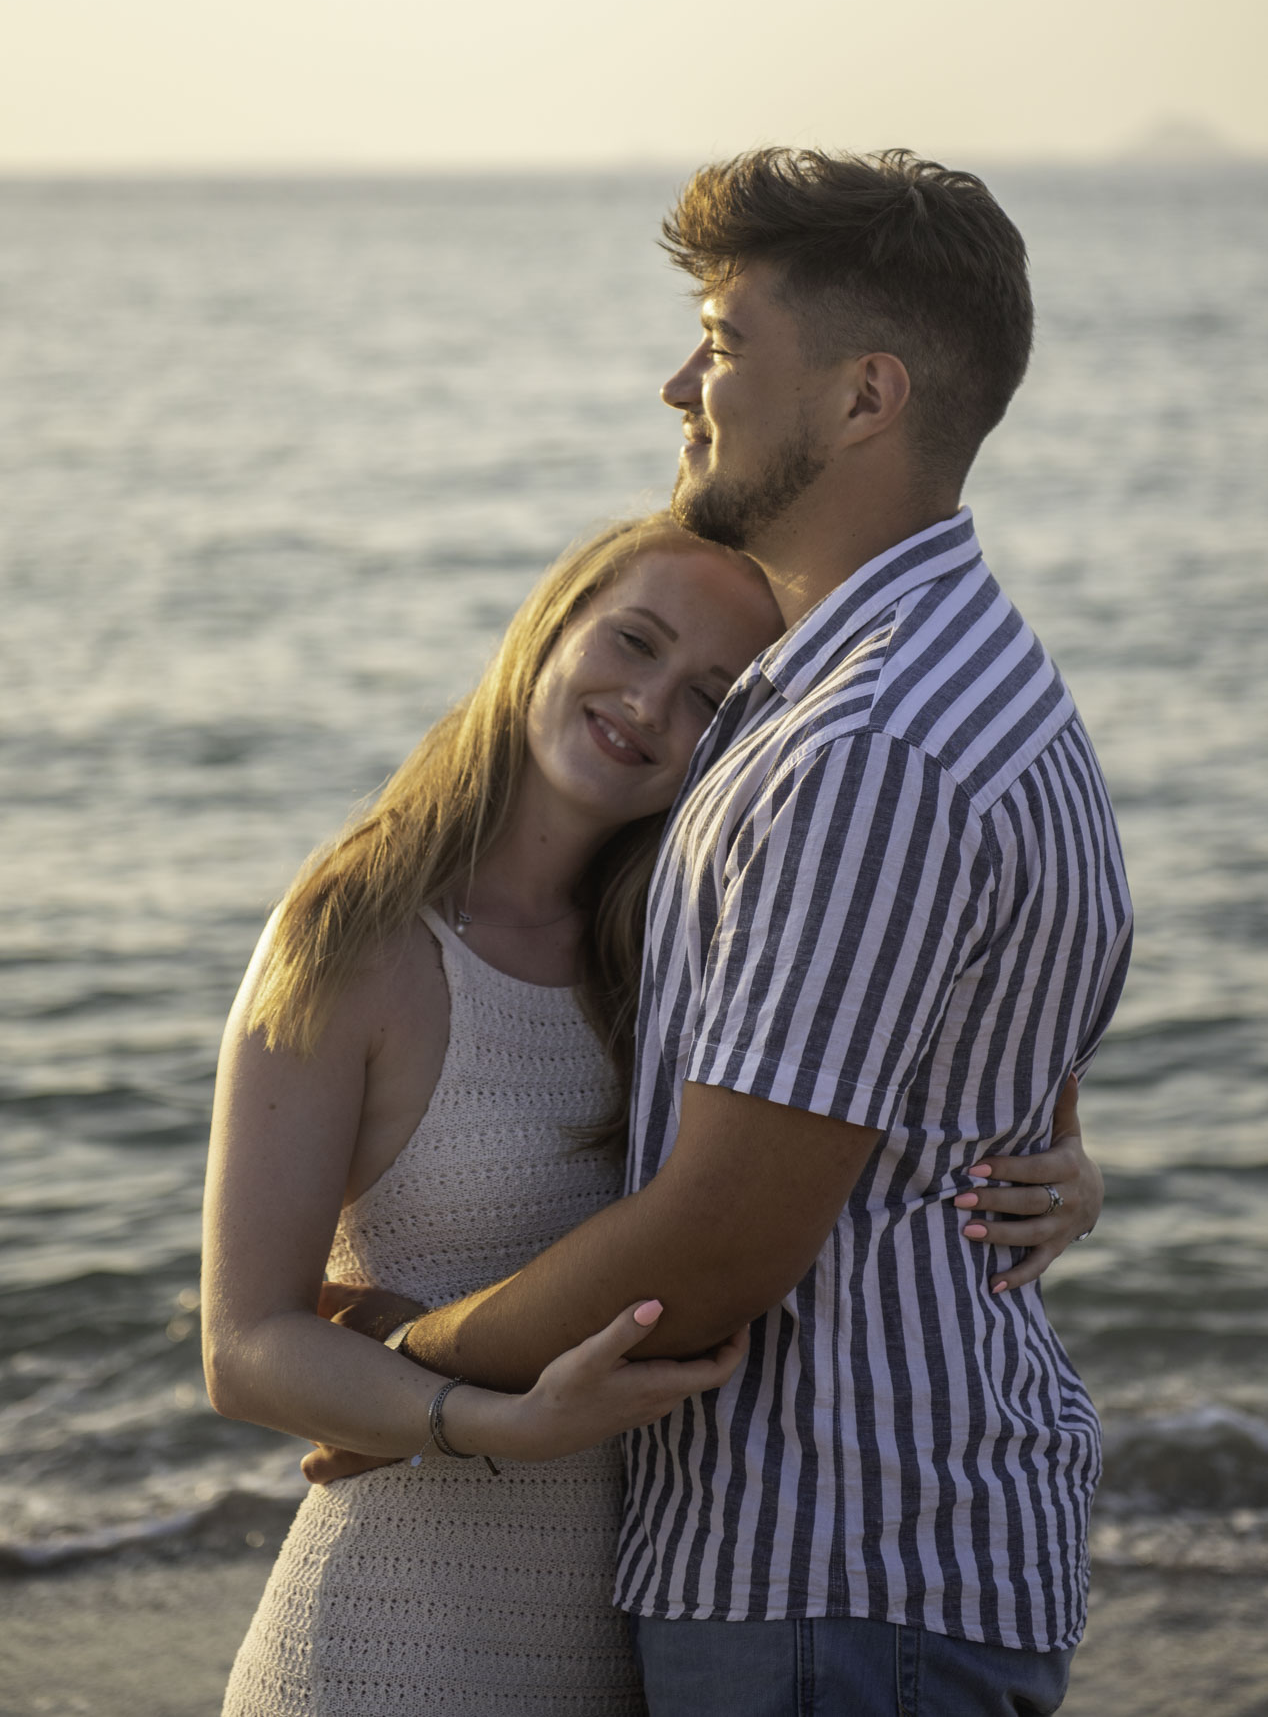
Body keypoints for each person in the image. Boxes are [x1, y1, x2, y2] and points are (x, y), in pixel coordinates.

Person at [313, 150, 1131, 1716]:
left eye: (725, 337)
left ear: (864, 397)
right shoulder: (926, 684)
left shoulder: (868, 747)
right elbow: (975, 1067)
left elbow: (717, 1246)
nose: (679, 379)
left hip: (837, 1576)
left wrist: (411, 1373)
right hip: (864, 1569)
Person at [204, 526, 1100, 1708]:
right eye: (631, 639)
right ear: (550, 628)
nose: (644, 703)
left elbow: (895, 1086)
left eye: (706, 696)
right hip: (391, 1643)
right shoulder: (354, 935)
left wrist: (1063, 1162)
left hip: (645, 1640)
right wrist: (480, 1418)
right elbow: (245, 1346)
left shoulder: (686, 972)